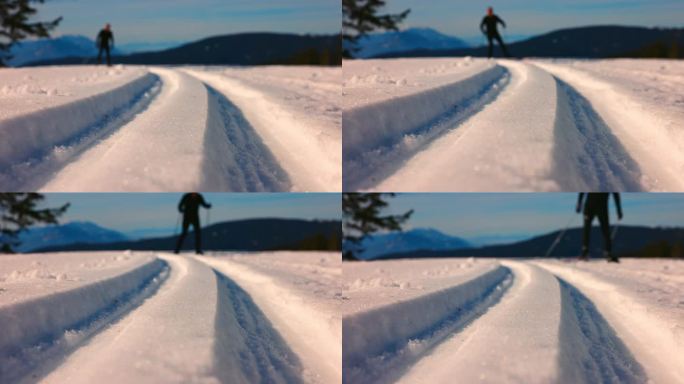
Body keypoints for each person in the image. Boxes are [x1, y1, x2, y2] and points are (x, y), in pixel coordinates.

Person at [576, 193, 622, 262]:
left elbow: (615, 193)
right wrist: (579, 204)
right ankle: (585, 252)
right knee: (587, 229)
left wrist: (619, 210)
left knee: (604, 230)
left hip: (600, 207)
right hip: (590, 207)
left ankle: (607, 253)